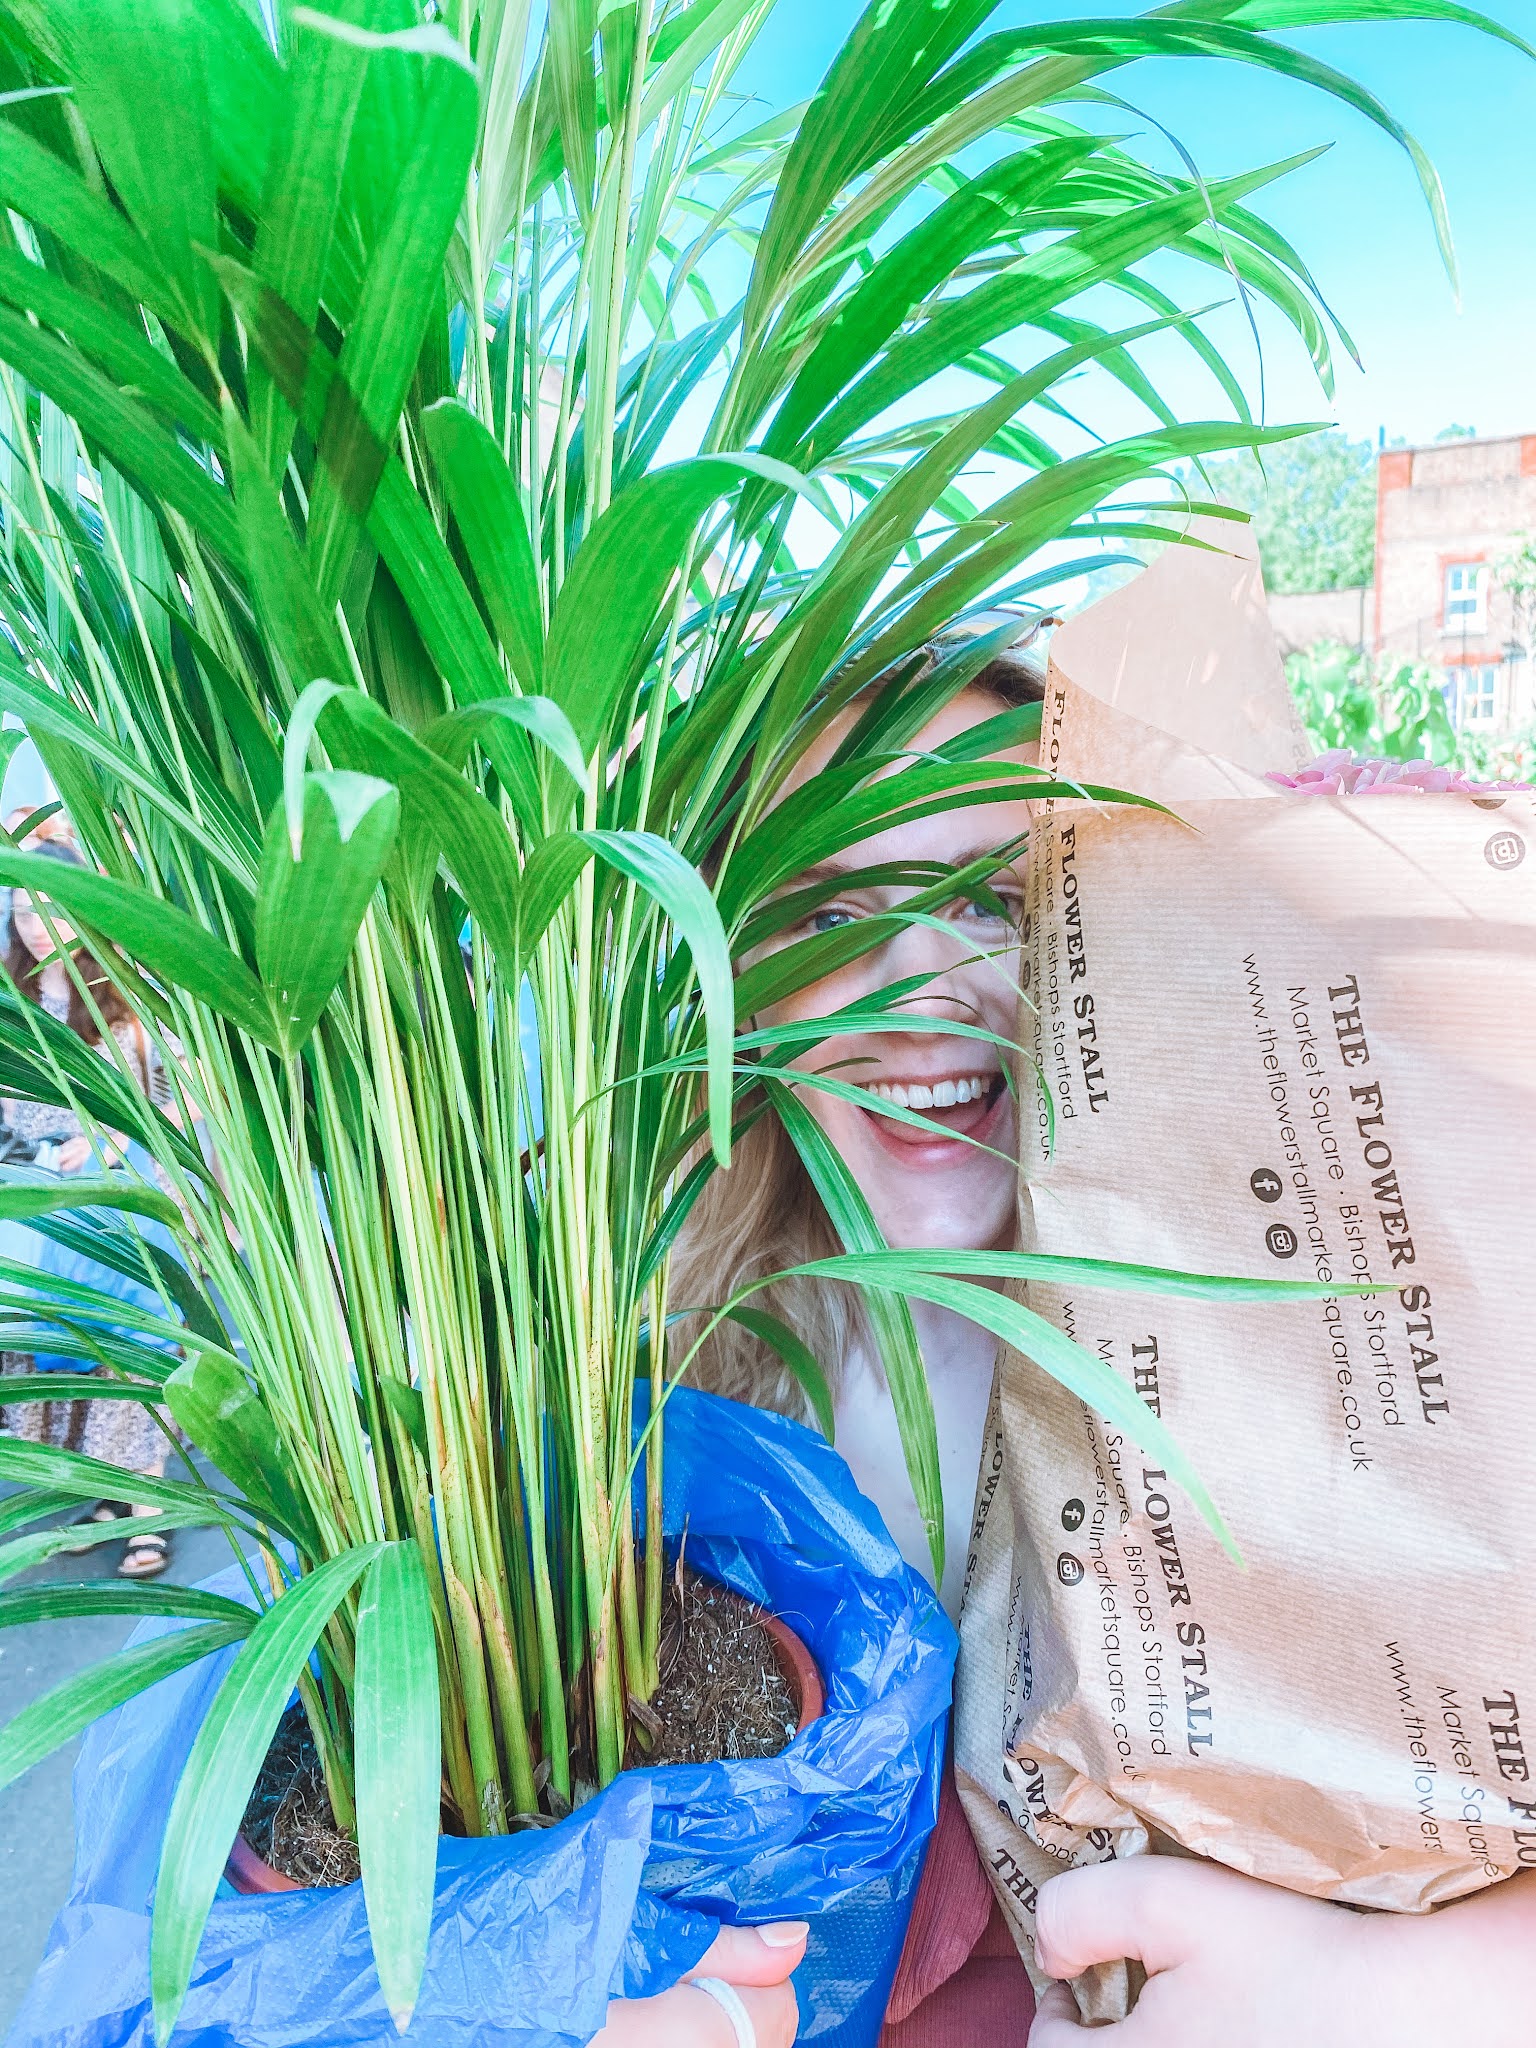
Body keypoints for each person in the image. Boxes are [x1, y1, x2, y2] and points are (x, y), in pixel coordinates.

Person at [594, 630, 1047, 2047]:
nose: (920, 985)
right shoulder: (643, 1352)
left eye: (997, 903)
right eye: (832, 915)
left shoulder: (1278, 1376)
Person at [0, 838, 178, 1579]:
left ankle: (152, 1515)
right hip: (38, 1203)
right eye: (19, 909)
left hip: (117, 1201)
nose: (34, 924)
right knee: (63, 1350)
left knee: (130, 1353)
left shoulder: (127, 994)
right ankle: (110, 1492)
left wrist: (111, 1136)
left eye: (45, 906)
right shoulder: (14, 995)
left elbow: (174, 1096)